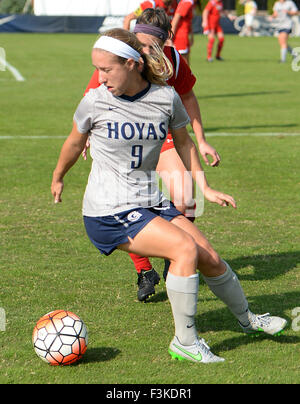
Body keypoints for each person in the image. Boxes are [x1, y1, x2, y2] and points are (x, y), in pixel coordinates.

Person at [51, 28, 287, 363]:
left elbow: (184, 142)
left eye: (106, 69)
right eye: (97, 69)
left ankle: (248, 318)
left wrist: (204, 188)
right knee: (183, 249)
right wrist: (59, 177)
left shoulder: (165, 98)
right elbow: (75, 142)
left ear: (132, 64)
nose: (99, 78)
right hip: (108, 210)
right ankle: (185, 342)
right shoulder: (95, 101)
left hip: (149, 201)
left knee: (209, 256)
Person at [84, 8, 221, 302]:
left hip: (162, 137)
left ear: (163, 44)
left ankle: (173, 256)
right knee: (130, 202)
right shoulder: (122, 60)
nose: (142, 50)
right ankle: (145, 270)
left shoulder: (173, 61)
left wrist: (203, 140)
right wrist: (86, 138)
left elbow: (187, 98)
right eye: (138, 42)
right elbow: (92, 97)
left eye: (149, 45)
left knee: (187, 199)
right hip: (127, 139)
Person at [171, 0, 198, 65]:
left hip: (184, 36)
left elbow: (188, 21)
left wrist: (191, 36)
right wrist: (170, 38)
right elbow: (175, 20)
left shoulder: (190, 3)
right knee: (183, 65)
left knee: (185, 65)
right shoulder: (186, 3)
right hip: (180, 37)